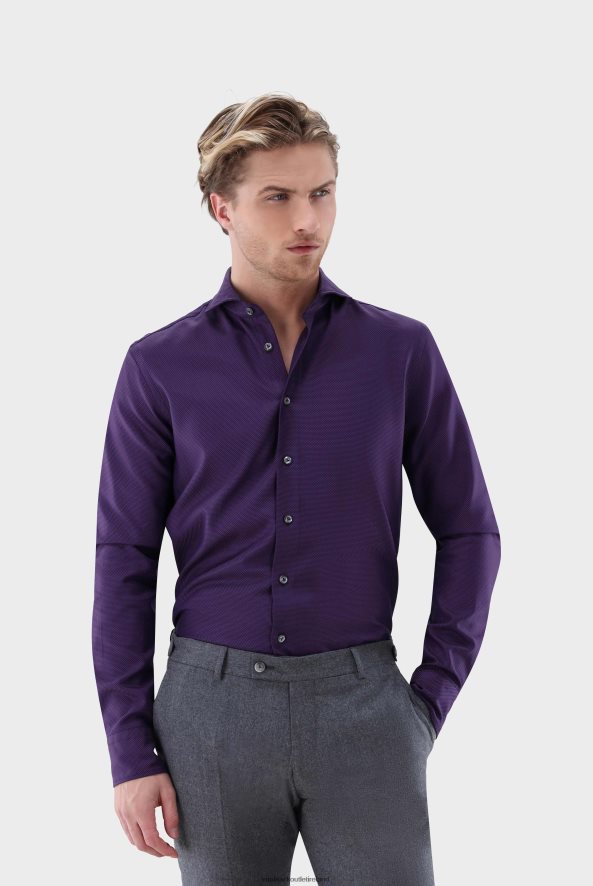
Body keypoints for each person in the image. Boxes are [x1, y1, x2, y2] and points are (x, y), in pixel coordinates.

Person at [92, 92, 501, 885]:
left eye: (321, 192)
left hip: (366, 709)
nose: (306, 218)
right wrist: (128, 751)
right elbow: (124, 559)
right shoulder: (159, 366)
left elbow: (469, 530)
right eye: (276, 197)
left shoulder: (399, 352)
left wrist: (427, 699)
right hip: (209, 715)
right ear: (223, 208)